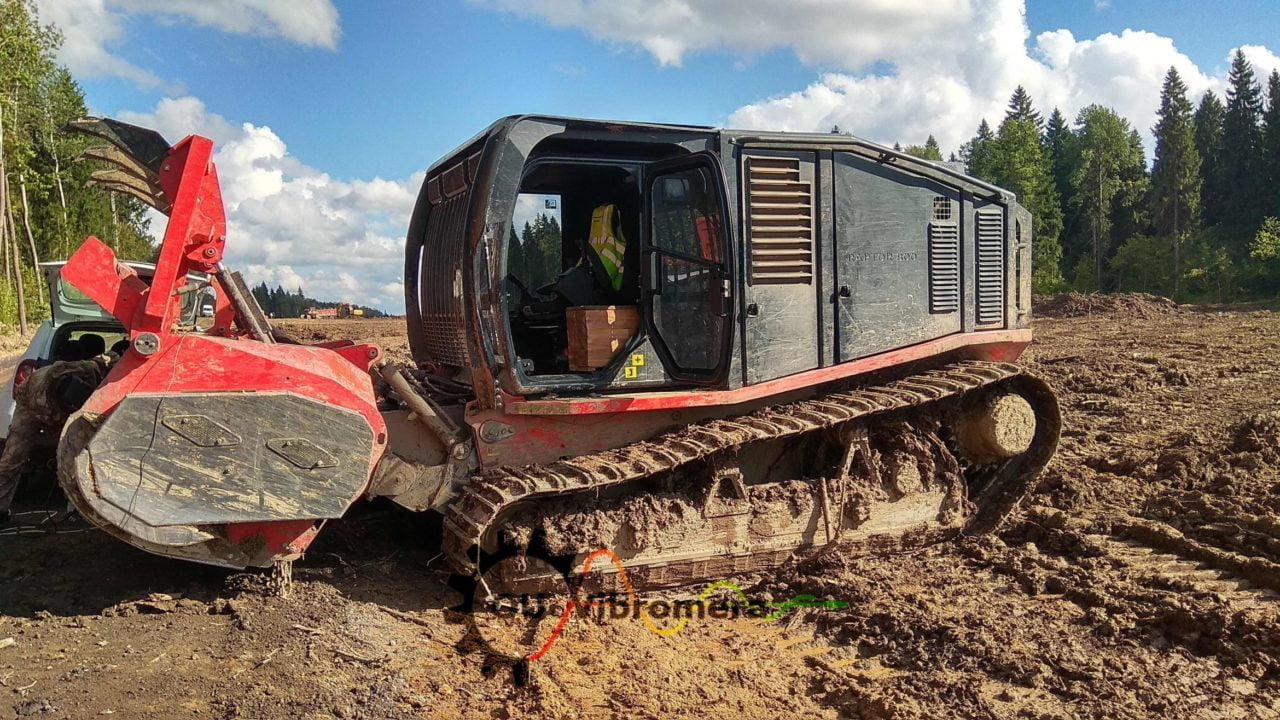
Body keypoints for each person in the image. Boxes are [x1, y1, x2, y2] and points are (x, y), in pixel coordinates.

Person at [0, 352, 116, 523]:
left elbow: (105, 360)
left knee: (73, 462)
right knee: (12, 458)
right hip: (30, 404)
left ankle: (77, 510)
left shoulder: (92, 371)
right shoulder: (42, 393)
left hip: (60, 409)